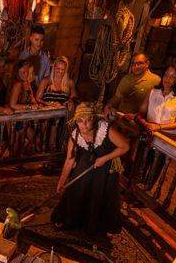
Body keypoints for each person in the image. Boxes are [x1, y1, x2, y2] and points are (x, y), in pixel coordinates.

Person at [52, 103, 130, 245]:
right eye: (80, 121)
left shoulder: (106, 130)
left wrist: (104, 158)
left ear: (94, 119)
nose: (84, 125)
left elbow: (125, 146)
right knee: (77, 186)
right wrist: (61, 183)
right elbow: (69, 161)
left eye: (87, 120)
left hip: (107, 164)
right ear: (76, 121)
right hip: (88, 162)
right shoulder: (75, 136)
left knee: (101, 192)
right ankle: (68, 218)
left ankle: (106, 226)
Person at [135, 64, 176, 141]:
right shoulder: (153, 92)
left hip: (169, 137)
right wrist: (146, 124)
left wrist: (158, 127)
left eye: (172, 77)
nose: (167, 78)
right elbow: (140, 114)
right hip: (149, 133)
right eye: (166, 75)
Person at [36, 56, 77, 151]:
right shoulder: (45, 81)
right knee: (43, 140)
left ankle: (51, 161)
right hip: (45, 116)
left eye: (63, 69)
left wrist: (71, 100)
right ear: (53, 68)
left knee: (54, 142)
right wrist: (50, 104)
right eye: (58, 69)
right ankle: (43, 161)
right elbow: (37, 98)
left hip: (59, 119)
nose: (60, 72)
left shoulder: (69, 82)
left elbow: (75, 96)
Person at [8, 59, 40, 155]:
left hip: (25, 117)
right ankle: (16, 164)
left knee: (32, 140)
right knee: (19, 143)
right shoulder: (18, 84)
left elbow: (31, 97)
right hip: (17, 118)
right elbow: (12, 104)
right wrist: (30, 107)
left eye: (26, 71)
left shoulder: (27, 81)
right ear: (17, 73)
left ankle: (19, 162)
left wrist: (36, 104)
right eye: (22, 72)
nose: (25, 74)